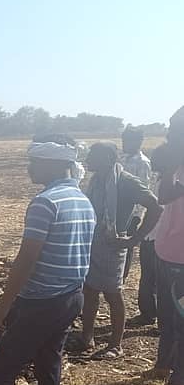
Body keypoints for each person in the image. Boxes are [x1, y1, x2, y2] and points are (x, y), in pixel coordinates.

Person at [0, 140, 96, 385]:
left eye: (35, 162)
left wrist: (4, 305)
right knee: (49, 366)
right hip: (70, 297)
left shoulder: (45, 202)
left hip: (40, 302)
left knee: (2, 368)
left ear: (52, 165)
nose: (29, 167)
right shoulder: (83, 200)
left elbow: (26, 259)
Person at [68, 143, 160, 359]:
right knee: (89, 290)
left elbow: (155, 207)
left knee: (113, 294)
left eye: (93, 155)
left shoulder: (126, 182)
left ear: (108, 159)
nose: (88, 159)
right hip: (92, 242)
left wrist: (134, 239)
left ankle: (115, 345)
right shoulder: (96, 181)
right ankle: (87, 337)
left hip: (112, 245)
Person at [151, 105, 184, 385]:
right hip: (168, 250)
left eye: (175, 128)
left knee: (182, 319)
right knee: (169, 316)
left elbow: (164, 195)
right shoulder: (177, 162)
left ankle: (178, 384)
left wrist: (171, 164)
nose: (169, 133)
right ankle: (164, 364)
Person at [120, 127, 157, 325]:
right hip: (118, 213)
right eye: (124, 140)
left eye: (128, 140)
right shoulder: (121, 158)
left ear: (138, 142)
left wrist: (136, 218)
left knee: (126, 249)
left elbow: (144, 193)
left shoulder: (143, 163)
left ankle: (120, 281)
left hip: (131, 215)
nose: (125, 144)